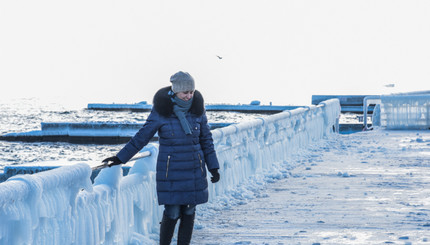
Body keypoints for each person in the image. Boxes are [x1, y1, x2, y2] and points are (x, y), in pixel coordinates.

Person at [102, 71, 220, 245]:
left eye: (191, 92)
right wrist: (121, 157)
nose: (188, 96)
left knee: (189, 211)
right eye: (184, 92)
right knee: (172, 212)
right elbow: (142, 136)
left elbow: (206, 140)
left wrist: (213, 167)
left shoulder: (198, 111)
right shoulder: (161, 111)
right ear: (175, 91)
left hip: (194, 170)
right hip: (171, 172)